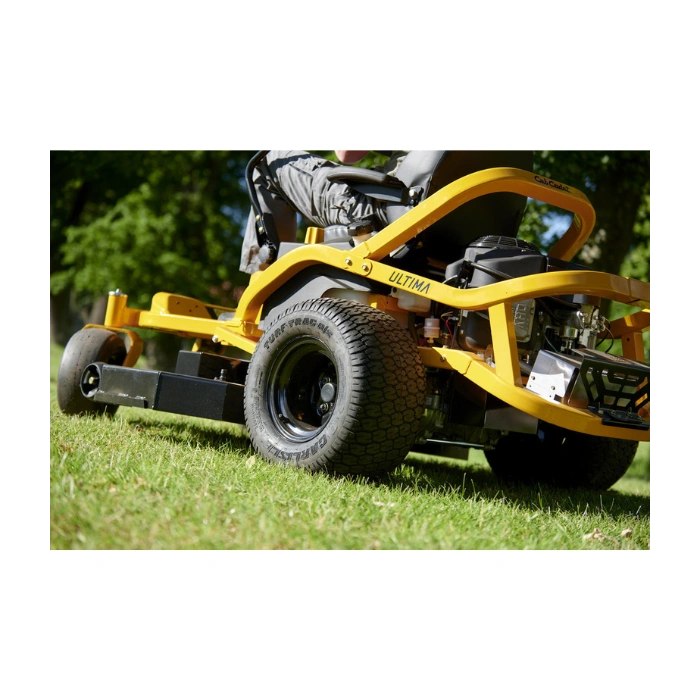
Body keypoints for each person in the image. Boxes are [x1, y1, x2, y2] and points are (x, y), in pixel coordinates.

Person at [239, 150, 406, 274]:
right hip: (410, 208)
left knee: (268, 163)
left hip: (383, 203)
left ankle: (264, 283)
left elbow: (347, 154)